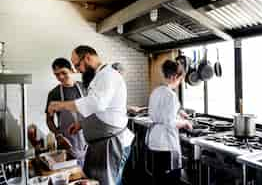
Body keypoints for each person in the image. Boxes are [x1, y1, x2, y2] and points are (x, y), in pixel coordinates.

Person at [47, 45, 134, 185]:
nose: (78, 70)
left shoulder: (108, 75)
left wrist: (60, 105)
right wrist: (81, 124)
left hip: (111, 144)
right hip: (99, 144)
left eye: (77, 65)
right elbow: (100, 112)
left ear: (87, 58)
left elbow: (96, 104)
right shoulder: (99, 77)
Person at [145, 59, 192, 185]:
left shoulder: (157, 91)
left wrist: (178, 112)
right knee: (171, 179)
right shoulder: (171, 95)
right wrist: (185, 123)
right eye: (180, 79)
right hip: (166, 143)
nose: (180, 82)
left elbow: (161, 114)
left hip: (154, 140)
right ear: (174, 76)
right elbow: (170, 122)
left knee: (158, 178)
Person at [45, 58, 87, 167]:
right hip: (67, 142)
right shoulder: (54, 94)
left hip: (87, 140)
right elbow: (49, 120)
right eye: (57, 74)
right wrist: (58, 135)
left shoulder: (85, 88)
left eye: (64, 73)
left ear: (72, 70)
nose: (60, 77)